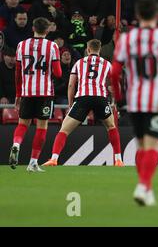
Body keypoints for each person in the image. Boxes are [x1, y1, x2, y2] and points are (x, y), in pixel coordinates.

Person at [111, 0, 158, 207]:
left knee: (142, 145)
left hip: (135, 101)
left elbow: (114, 72)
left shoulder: (127, 39)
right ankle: (143, 185)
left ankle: (145, 188)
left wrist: (118, 95)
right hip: (157, 101)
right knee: (152, 145)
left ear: (138, 15)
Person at [43, 39, 123, 166]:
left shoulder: (79, 63)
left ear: (88, 49)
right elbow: (116, 84)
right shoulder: (107, 64)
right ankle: (118, 160)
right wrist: (113, 99)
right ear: (99, 50)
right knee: (111, 127)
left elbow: (71, 85)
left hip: (82, 98)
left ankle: (54, 158)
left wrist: (70, 105)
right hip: (100, 98)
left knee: (64, 130)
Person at [8, 17, 62, 171]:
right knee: (42, 127)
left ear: (33, 28)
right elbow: (58, 73)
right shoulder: (52, 46)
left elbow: (17, 73)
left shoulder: (21, 45)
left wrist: (18, 94)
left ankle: (16, 144)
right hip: (45, 93)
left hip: (26, 92)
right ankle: (33, 162)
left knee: (23, 124)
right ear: (47, 30)